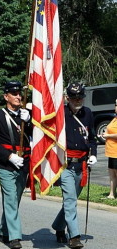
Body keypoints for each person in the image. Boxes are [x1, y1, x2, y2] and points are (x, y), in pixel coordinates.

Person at [0, 81, 32, 249]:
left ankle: (4, 231)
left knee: (15, 200)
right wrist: (9, 156)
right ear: (6, 96)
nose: (18, 96)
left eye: (19, 93)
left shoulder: (27, 114)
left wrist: (31, 122)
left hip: (23, 163)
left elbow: (37, 137)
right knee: (11, 199)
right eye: (14, 94)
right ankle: (14, 237)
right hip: (5, 164)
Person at [52, 82, 98, 249]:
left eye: (80, 97)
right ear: (67, 98)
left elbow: (92, 139)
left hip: (82, 165)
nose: (77, 100)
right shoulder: (60, 113)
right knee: (70, 200)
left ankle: (58, 226)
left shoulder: (88, 114)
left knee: (71, 201)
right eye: (73, 98)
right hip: (65, 164)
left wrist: (93, 154)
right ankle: (74, 237)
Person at [102, 98, 117, 199]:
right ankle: (111, 193)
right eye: (115, 105)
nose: (116, 107)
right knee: (112, 174)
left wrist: (107, 136)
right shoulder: (115, 118)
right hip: (110, 151)